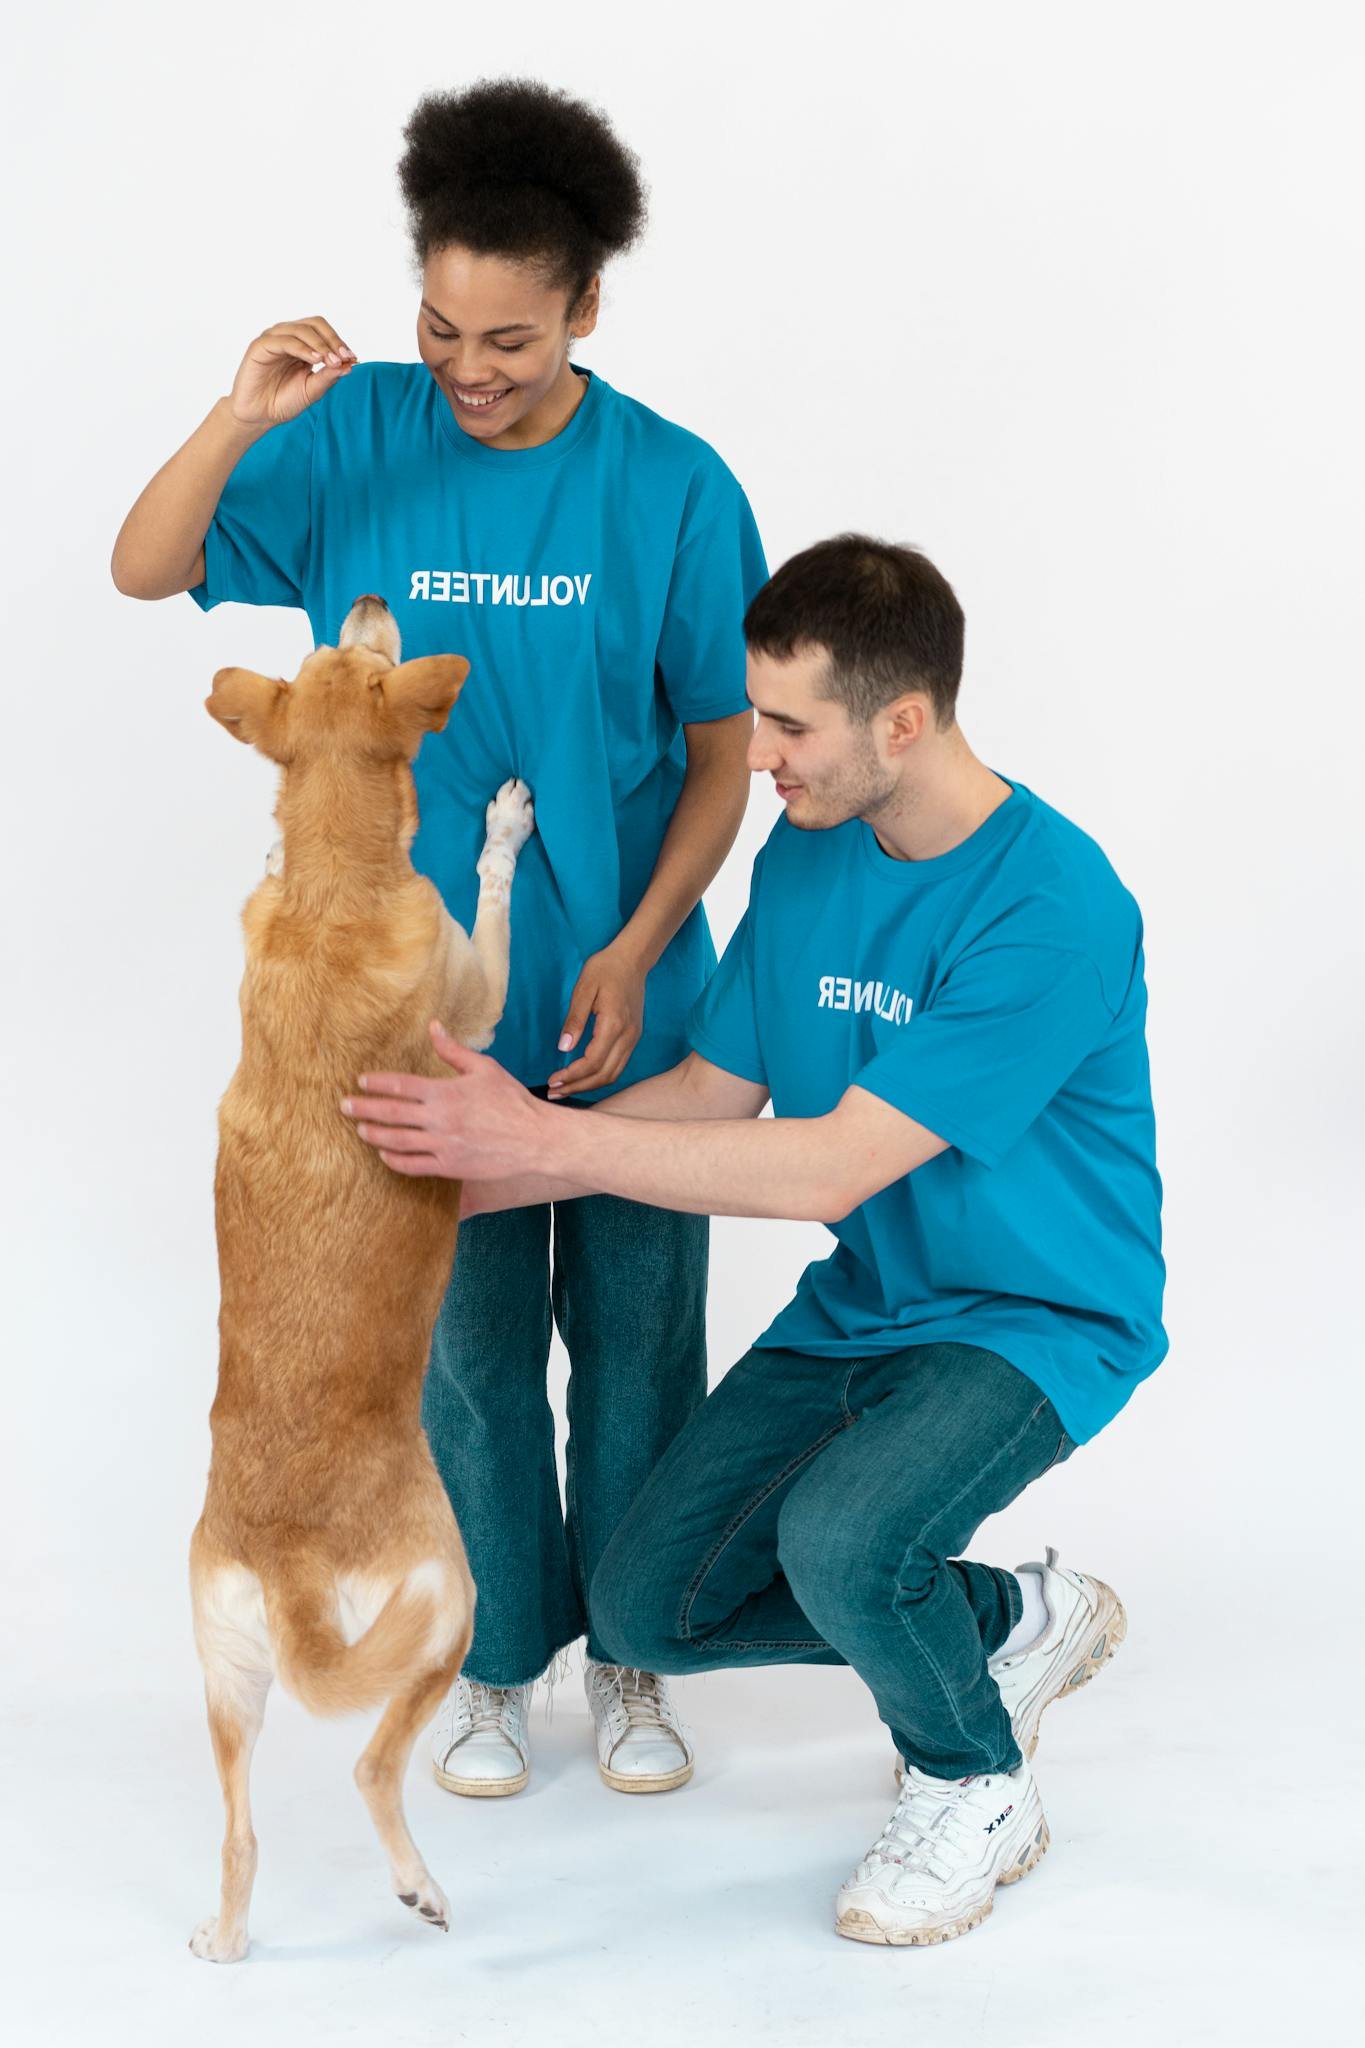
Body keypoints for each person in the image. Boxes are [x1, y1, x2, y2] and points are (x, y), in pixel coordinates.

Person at [344, 534, 1167, 1946]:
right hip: (866, 1306)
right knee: (650, 1602)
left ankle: (973, 1778)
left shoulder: (1053, 907)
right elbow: (714, 1094)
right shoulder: (808, 847)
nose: (754, 757)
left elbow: (828, 1164)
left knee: (843, 1543)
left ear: (898, 725)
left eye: (786, 726)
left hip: (1028, 1322)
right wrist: (475, 1173)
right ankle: (1008, 1622)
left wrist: (541, 1142)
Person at [111, 79, 766, 1800]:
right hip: (417, 1033)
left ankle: (632, 1655)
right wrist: (238, 410)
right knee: (466, 1366)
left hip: (630, 1021)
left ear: (586, 312)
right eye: (441, 327)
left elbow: (717, 752)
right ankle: (496, 1661)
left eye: (511, 341)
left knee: (635, 1351)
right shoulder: (352, 437)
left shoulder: (675, 488)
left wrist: (636, 943)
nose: (471, 370)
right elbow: (143, 563)